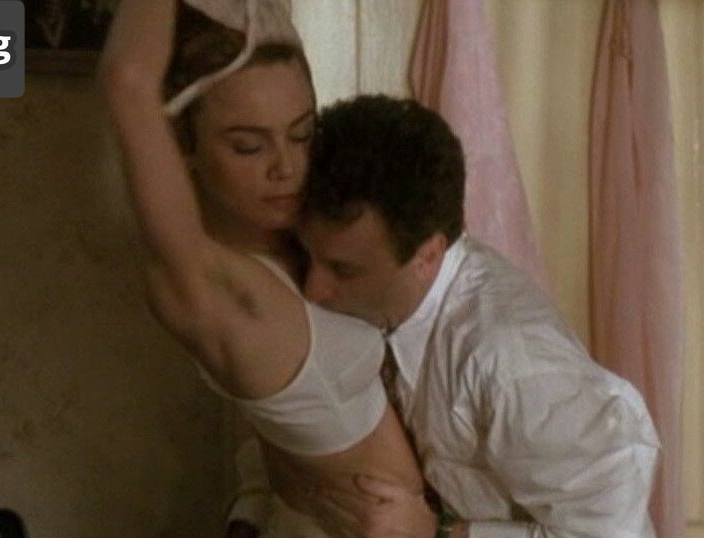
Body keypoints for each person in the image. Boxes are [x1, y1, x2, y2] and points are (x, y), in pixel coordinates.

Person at [234, 95, 662, 537]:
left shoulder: (509, 361)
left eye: (343, 270)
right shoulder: (354, 296)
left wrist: (441, 535)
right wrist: (250, 513)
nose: (313, 289)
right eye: (309, 256)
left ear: (428, 255)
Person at [98, 2, 427, 536]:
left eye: (302, 134)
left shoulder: (310, 237)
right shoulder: (211, 289)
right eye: (248, 146)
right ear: (183, 146)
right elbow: (127, 81)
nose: (286, 167)